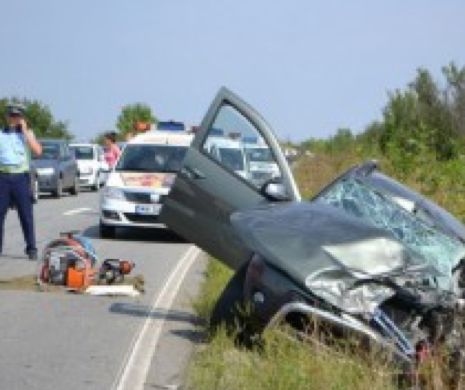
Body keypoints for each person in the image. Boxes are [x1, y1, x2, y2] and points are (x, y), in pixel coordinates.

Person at [0, 103, 42, 260]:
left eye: (17, 116)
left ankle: (31, 248)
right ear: (7, 117)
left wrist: (24, 131)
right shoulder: (1, 134)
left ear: (22, 118)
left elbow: (38, 151)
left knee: (26, 215)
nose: (14, 119)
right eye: (12, 116)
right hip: (3, 177)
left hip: (20, 178)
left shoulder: (27, 134)